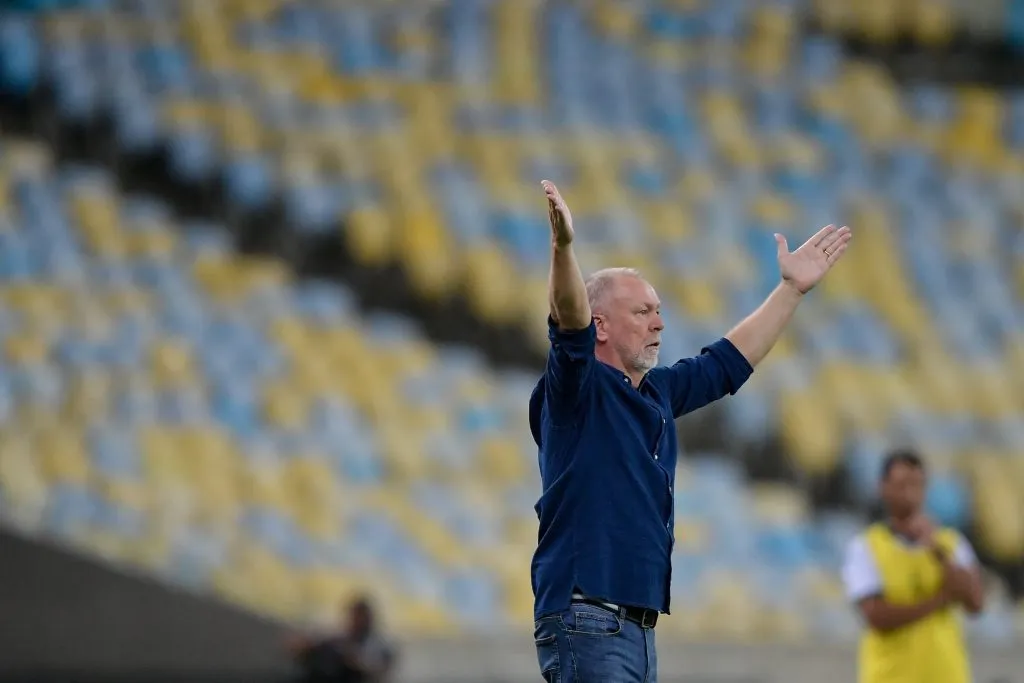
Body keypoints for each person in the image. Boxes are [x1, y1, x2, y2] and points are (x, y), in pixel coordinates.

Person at [529, 179, 852, 682]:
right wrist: (564, 249)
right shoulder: (579, 388)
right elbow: (569, 322)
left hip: (633, 626)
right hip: (588, 615)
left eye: (659, 311)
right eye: (643, 311)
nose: (659, 323)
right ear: (602, 327)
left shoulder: (655, 392)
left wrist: (789, 291)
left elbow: (725, 363)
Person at [842, 450, 984, 683]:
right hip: (890, 677)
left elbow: (975, 602)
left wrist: (937, 551)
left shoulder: (949, 543)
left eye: (916, 485)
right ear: (883, 487)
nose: (909, 495)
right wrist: (939, 600)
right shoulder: (865, 547)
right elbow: (877, 616)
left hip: (946, 675)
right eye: (901, 485)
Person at [287, 596, 396, 683]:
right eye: (353, 616)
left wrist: (357, 660)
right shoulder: (341, 637)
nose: (355, 620)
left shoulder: (379, 643)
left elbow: (381, 667)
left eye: (360, 616)